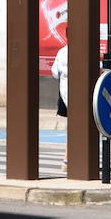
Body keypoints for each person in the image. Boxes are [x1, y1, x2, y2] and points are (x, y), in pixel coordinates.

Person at [51, 37, 69, 170]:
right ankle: (67, 159)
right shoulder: (85, 50)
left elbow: (54, 73)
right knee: (76, 127)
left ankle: (67, 159)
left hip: (65, 94)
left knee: (72, 126)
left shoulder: (62, 52)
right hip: (80, 94)